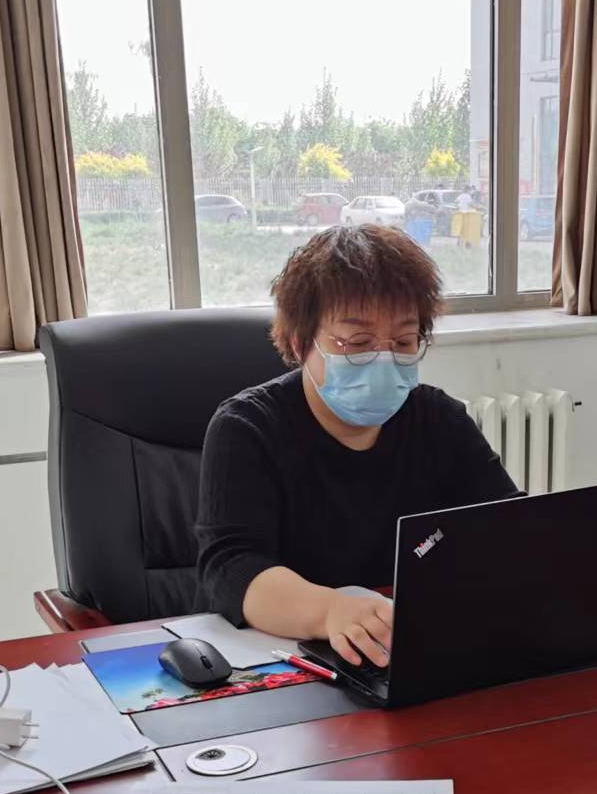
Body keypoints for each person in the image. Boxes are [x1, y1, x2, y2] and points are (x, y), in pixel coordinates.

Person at [195, 224, 519, 668]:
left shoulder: (439, 420)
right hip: (285, 657)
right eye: (358, 343)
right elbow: (232, 568)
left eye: (403, 342)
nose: (384, 359)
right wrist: (330, 610)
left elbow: (510, 528)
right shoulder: (247, 428)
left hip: (402, 649)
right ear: (301, 343)